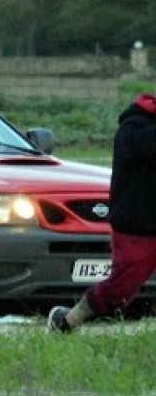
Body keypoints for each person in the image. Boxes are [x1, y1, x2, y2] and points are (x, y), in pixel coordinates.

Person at [49, 92, 156, 332]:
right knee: (120, 287)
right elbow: (141, 146)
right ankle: (67, 320)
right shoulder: (133, 126)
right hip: (136, 223)